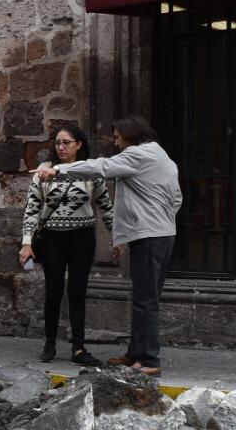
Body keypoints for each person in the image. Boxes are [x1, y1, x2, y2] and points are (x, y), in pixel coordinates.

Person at [33, 115, 181, 378]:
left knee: (146, 301)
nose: (115, 141)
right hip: (155, 233)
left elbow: (101, 167)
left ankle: (149, 359)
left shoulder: (139, 154)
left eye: (116, 136)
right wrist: (160, 219)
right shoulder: (160, 156)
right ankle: (136, 354)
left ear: (130, 134)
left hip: (150, 236)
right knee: (143, 298)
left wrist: (59, 170)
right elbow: (176, 198)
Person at [20, 124, 114, 366]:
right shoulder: (42, 172)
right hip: (52, 238)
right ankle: (49, 344)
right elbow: (31, 209)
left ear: (79, 145)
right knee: (53, 290)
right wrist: (27, 243)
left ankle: (79, 348)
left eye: (66, 143)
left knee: (77, 291)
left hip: (82, 238)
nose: (61, 147)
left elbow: (105, 206)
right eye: (58, 143)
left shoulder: (92, 172)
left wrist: (118, 237)